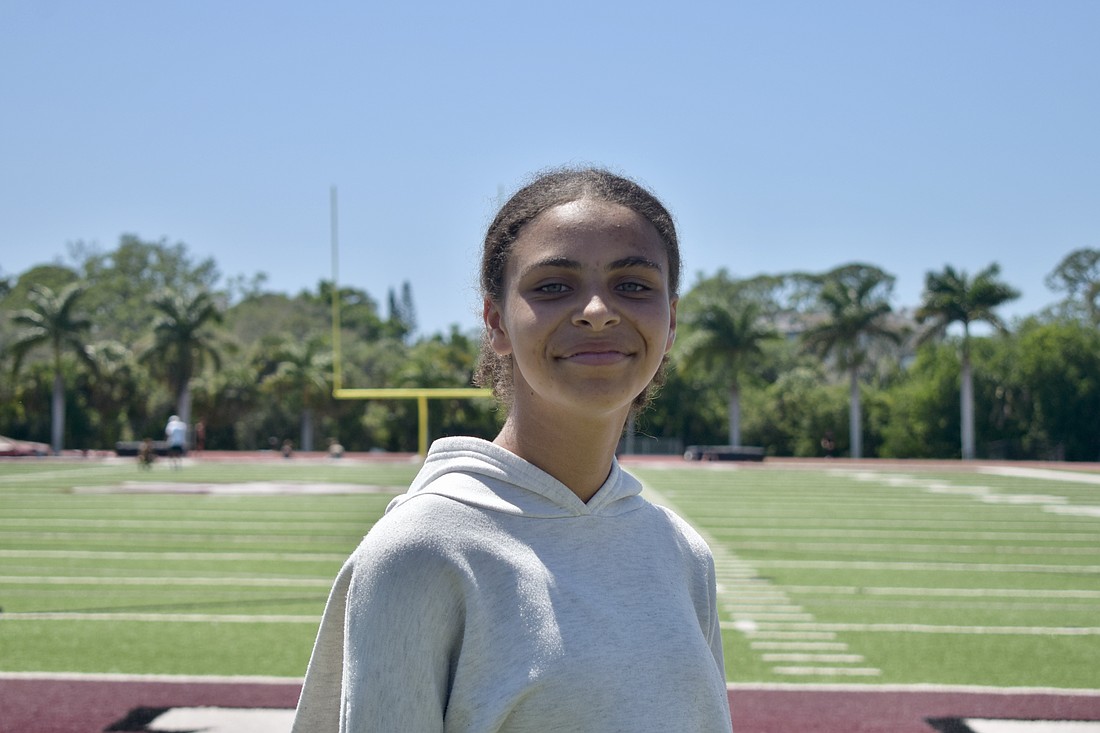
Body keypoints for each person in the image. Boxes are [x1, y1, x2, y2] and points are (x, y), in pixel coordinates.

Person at [292, 167, 733, 732]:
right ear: (496, 322)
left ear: (670, 320)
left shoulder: (681, 553)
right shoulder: (422, 551)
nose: (597, 310)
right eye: (553, 286)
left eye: (634, 285)